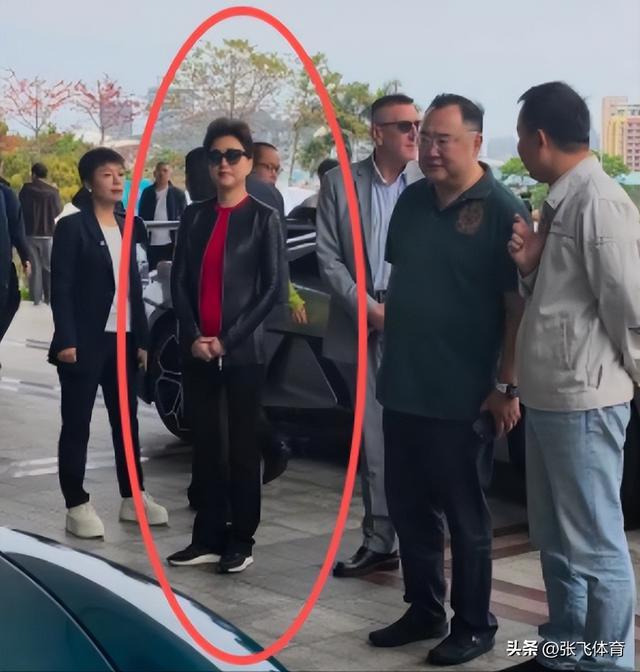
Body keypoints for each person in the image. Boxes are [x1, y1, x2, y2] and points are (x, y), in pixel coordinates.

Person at [372, 94, 528, 666]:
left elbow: (515, 308)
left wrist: (506, 386)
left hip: (464, 395)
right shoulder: (413, 201)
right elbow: (403, 281)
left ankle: (475, 623)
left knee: (465, 516)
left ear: (476, 143)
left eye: (444, 139)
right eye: (425, 138)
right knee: (408, 508)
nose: (431, 150)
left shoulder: (503, 209)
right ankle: (423, 608)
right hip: (404, 385)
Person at [506, 81, 640, 672]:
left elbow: (629, 307)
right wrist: (529, 267)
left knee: (596, 545)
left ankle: (606, 663)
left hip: (584, 401)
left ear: (539, 138)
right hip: (552, 396)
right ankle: (564, 649)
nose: (520, 148)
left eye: (520, 137)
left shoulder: (599, 202)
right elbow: (565, 298)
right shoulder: (565, 200)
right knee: (557, 540)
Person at [168, 118, 283, 573]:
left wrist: (226, 342)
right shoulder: (194, 216)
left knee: (242, 449)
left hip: (242, 354)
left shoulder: (264, 218)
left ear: (249, 162)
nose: (224, 164)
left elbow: (271, 290)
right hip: (198, 349)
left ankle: (241, 539)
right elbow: (179, 280)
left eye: (233, 155)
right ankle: (207, 537)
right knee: (207, 447)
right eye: (215, 156)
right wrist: (194, 334)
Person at [316, 93, 423, 578]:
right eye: (404, 126)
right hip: (362, 318)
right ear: (377, 133)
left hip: (418, 323)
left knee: (418, 436)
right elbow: (328, 258)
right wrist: (370, 309)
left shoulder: (428, 182)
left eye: (417, 124)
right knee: (374, 437)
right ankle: (380, 540)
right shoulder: (339, 182)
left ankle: (418, 538)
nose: (414, 134)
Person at [49, 147, 168, 539]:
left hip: (125, 340)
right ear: (89, 182)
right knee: (77, 424)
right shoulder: (72, 227)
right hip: (84, 342)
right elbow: (61, 287)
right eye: (107, 174)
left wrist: (143, 339)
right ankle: (76, 502)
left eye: (120, 174)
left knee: (126, 423)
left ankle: (133, 496)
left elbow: (135, 286)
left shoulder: (128, 224)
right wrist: (66, 339)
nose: (117, 181)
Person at [18, 162, 62, 306]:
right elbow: (58, 212)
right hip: (48, 234)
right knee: (48, 267)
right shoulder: (53, 192)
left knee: (35, 267)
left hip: (30, 233)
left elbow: (19, 210)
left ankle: (35, 299)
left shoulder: (26, 190)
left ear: (34, 174)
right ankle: (49, 297)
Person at [138, 162, 187, 270]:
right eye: (159, 171)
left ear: (170, 174)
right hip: (152, 242)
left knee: (171, 272)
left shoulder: (178, 194)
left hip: (171, 242)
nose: (162, 174)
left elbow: (184, 217)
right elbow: (141, 215)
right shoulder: (147, 193)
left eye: (165, 171)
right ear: (154, 174)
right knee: (152, 272)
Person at [0, 181, 30, 345]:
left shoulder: (5, 194)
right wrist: (25, 257)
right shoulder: (6, 193)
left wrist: (25, 256)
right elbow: (17, 229)